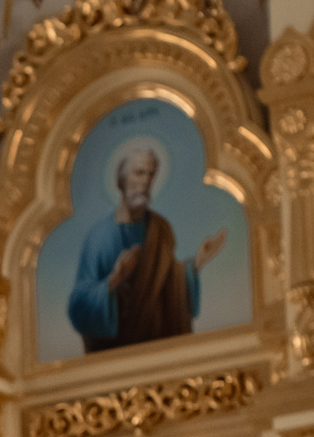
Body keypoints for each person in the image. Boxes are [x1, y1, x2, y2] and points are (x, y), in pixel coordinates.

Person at [66, 141, 226, 354]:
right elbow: (79, 304)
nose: (146, 182)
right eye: (139, 173)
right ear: (121, 181)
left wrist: (196, 264)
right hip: (119, 354)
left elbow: (169, 283)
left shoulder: (160, 228)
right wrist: (115, 278)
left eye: (151, 175)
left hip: (161, 349)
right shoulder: (100, 238)